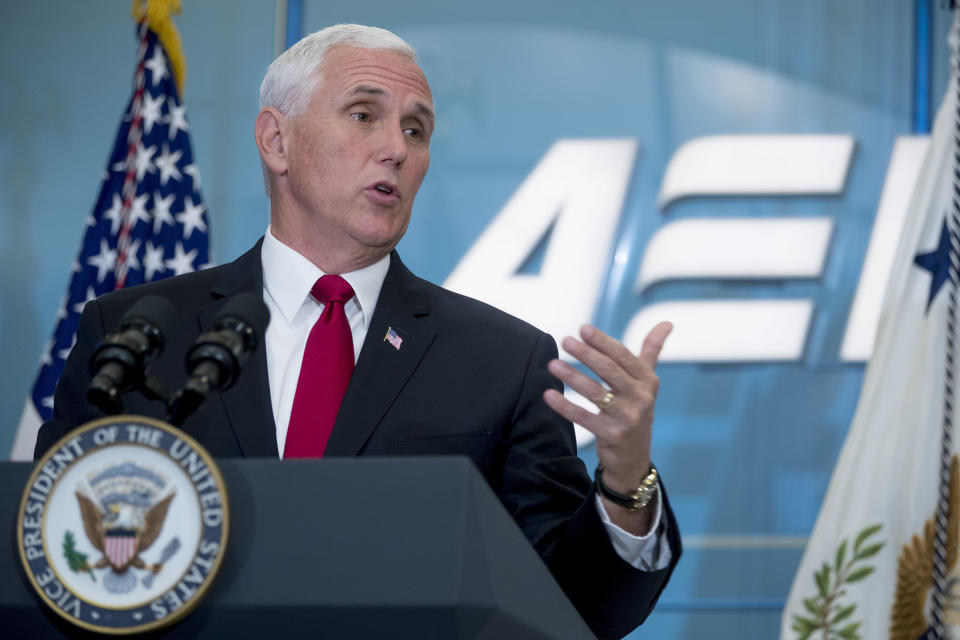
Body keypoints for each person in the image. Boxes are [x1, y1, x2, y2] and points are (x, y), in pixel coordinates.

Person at [35, 24, 680, 639]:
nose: (397, 148)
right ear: (276, 141)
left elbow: (576, 607)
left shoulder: (504, 362)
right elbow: (55, 560)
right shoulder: (135, 337)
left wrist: (626, 484)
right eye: (363, 114)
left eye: (417, 129)